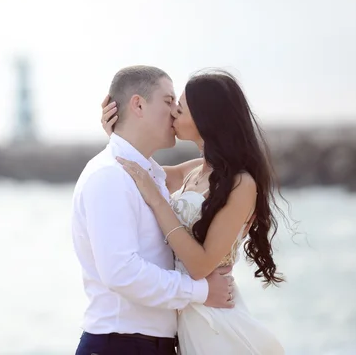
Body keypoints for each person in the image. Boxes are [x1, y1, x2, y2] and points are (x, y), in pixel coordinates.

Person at [101, 68, 286, 354]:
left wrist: (159, 202)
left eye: (181, 107)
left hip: (214, 319)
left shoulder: (241, 183)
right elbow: (137, 171)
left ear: (205, 118)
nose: (173, 112)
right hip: (187, 314)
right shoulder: (193, 171)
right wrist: (119, 132)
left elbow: (201, 266)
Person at [71, 66, 236, 355]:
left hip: (151, 344)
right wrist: (202, 291)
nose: (175, 112)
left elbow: (221, 167)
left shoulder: (151, 175)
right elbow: (122, 272)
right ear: (138, 104)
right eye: (168, 101)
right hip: (120, 344)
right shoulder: (109, 175)